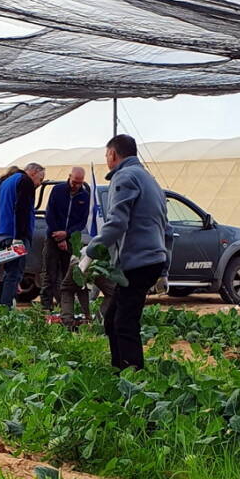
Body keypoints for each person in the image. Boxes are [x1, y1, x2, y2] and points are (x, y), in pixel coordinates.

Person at [78, 134, 170, 371]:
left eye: (106, 155)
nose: (107, 159)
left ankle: (132, 378)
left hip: (137, 263)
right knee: (112, 319)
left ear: (113, 154)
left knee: (124, 323)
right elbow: (167, 230)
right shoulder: (151, 181)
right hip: (151, 261)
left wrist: (90, 251)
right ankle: (120, 370)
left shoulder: (125, 176)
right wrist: (164, 270)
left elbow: (117, 223)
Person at [0, 161, 45, 307]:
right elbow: (22, 210)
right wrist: (19, 238)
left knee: (2, 273)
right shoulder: (25, 182)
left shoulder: (6, 182)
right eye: (40, 179)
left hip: (3, 233)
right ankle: (5, 307)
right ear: (33, 173)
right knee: (14, 273)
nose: (39, 184)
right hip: (15, 234)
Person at [40, 166, 90, 310]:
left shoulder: (84, 197)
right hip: (53, 237)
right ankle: (45, 307)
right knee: (49, 273)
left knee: (67, 274)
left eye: (80, 183)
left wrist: (67, 235)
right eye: (74, 182)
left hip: (70, 240)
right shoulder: (58, 190)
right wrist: (58, 236)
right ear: (69, 177)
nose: (76, 186)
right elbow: (50, 214)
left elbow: (81, 221)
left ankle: (64, 307)